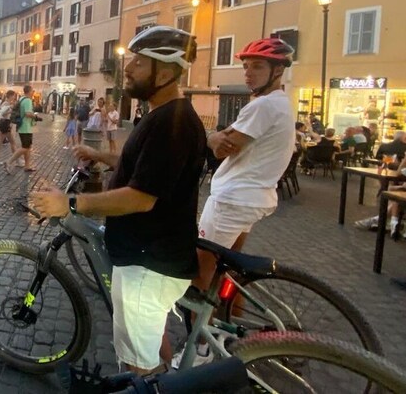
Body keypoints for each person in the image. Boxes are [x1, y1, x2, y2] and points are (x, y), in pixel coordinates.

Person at [32, 26, 206, 375]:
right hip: (152, 254)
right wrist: (103, 157)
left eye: (139, 64)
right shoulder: (161, 115)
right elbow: (149, 170)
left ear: (167, 72)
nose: (127, 69)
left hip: (148, 263)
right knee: (150, 346)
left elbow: (141, 198)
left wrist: (71, 204)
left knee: (139, 366)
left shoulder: (171, 122)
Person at [188, 38, 295, 364]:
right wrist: (218, 136)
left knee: (200, 276)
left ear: (277, 70)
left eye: (257, 67)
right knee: (227, 270)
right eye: (246, 67)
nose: (248, 74)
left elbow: (222, 146)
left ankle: (200, 350)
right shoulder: (280, 103)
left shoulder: (263, 106)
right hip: (252, 198)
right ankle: (227, 329)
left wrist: (208, 136)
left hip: (232, 200)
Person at [4, 85, 40, 174]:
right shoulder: (27, 100)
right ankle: (9, 161)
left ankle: (27, 166)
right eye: (32, 91)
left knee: (27, 147)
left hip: (21, 127)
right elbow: (28, 113)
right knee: (25, 147)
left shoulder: (21, 99)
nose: (33, 92)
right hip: (26, 127)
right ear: (29, 91)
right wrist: (36, 116)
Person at [0, 90, 17, 165]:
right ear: (11, 96)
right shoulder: (6, 103)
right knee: (3, 142)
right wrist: (11, 110)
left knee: (10, 142)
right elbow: (2, 113)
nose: (14, 97)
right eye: (14, 95)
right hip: (5, 123)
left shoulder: (7, 103)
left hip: (5, 123)